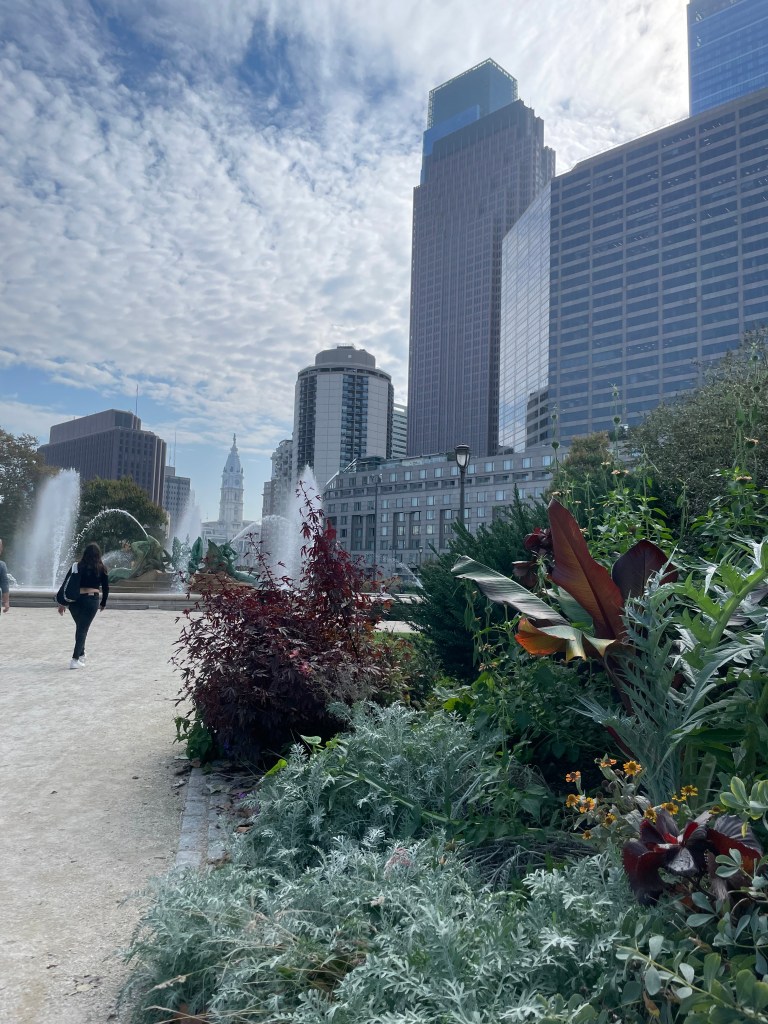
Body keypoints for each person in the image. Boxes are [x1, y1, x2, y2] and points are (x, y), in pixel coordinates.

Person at [57, 542, 109, 669]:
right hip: (91, 600)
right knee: (82, 629)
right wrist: (103, 603)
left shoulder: (77, 566)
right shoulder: (101, 568)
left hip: (75, 601)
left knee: (80, 627)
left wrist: (62, 603)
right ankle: (75, 659)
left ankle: (81, 654)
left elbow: (66, 584)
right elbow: (106, 587)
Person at [0, 538, 9, 614]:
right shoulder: (1, 565)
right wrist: (6, 602)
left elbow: (4, 584)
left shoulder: (2, 565)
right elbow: (4, 584)